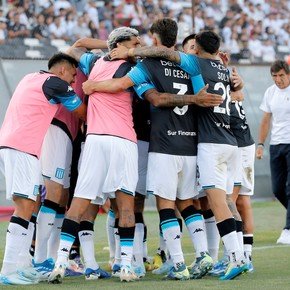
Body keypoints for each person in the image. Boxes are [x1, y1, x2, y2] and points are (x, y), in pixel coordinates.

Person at [82, 20, 224, 281]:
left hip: (161, 144)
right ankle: (203, 253)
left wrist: (92, 85)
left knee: (157, 204)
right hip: (190, 144)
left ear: (154, 40)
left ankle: (173, 264)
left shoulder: (146, 65)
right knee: (187, 203)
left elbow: (141, 93)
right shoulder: (190, 65)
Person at [48, 27, 142, 284]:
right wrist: (113, 47)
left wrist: (122, 51)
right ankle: (123, 266)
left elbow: (74, 50)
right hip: (120, 140)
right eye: (134, 42)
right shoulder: (123, 63)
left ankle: (61, 263)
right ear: (119, 43)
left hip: (100, 139)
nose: (138, 46)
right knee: (122, 204)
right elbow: (72, 49)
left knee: (89, 202)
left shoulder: (105, 63)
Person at [0, 52, 86, 285]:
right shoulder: (56, 83)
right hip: (23, 148)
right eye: (72, 75)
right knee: (25, 206)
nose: (73, 81)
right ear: (62, 70)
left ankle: (23, 265)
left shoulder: (30, 77)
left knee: (29, 204)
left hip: (13, 145)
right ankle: (8, 271)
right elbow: (82, 112)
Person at [256, 60, 290, 245]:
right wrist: (260, 144)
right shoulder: (270, 92)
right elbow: (265, 120)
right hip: (276, 145)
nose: (278, 80)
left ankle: (288, 229)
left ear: (288, 74)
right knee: (278, 189)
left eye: (281, 76)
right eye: (275, 76)